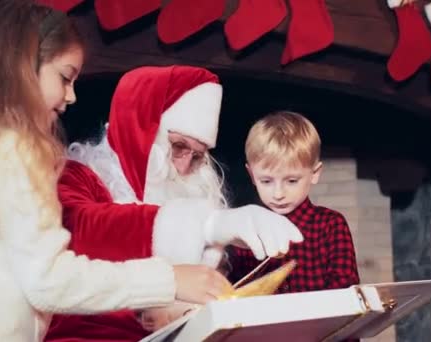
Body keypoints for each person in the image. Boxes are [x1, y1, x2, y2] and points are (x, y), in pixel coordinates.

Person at [0, 2, 232, 341]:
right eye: (65, 77)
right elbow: (50, 282)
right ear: (23, 67)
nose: (71, 96)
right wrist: (171, 279)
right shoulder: (16, 146)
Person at [45, 65, 304, 342]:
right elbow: (82, 229)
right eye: (178, 146)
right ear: (141, 131)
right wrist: (208, 224)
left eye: (197, 156)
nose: (184, 166)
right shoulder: (76, 177)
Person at [229, 111, 360, 294]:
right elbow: (235, 294)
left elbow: (345, 290)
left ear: (314, 174)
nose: (278, 193)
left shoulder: (331, 224)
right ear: (252, 175)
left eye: (291, 181)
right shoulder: (247, 231)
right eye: (266, 181)